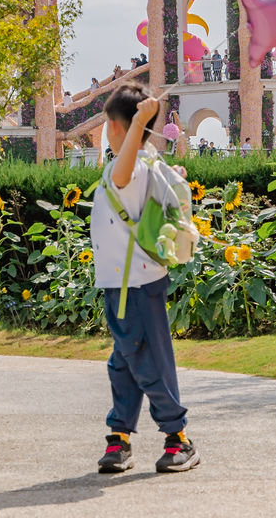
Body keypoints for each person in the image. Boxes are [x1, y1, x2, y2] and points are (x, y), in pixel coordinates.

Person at [91, 82, 199, 474]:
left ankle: (178, 437)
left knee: (149, 362)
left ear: (116, 127)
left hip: (134, 284)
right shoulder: (146, 163)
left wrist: (138, 122)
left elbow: (123, 174)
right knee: (124, 363)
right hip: (125, 285)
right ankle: (119, 437)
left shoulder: (131, 167)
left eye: (108, 125)